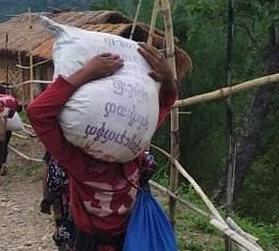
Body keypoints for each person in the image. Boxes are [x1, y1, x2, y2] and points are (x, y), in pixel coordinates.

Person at [27, 43, 178, 251]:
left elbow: (37, 112)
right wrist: (168, 79)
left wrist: (84, 73)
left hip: (87, 239)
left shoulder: (75, 158)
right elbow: (165, 103)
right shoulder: (135, 148)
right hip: (129, 237)